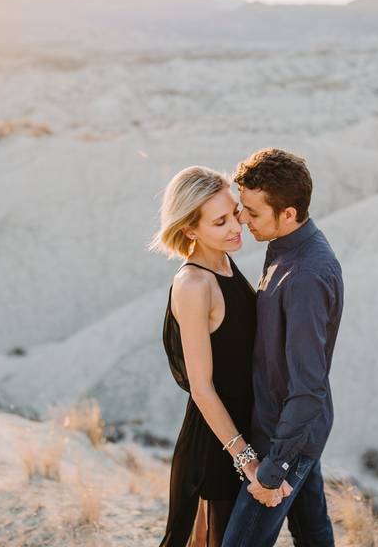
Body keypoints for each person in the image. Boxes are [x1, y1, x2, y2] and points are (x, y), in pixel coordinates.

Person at [222, 148, 344, 547]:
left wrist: (273, 471)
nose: (242, 219)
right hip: (290, 432)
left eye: (253, 212)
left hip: (285, 442)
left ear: (288, 213)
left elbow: (308, 385)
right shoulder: (286, 247)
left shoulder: (307, 275)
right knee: (312, 535)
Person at [150, 166, 264, 547]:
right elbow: (201, 388)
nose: (236, 225)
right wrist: (244, 457)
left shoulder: (224, 261)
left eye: (235, 212)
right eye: (220, 221)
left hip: (240, 430)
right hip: (217, 446)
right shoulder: (194, 284)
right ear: (190, 229)